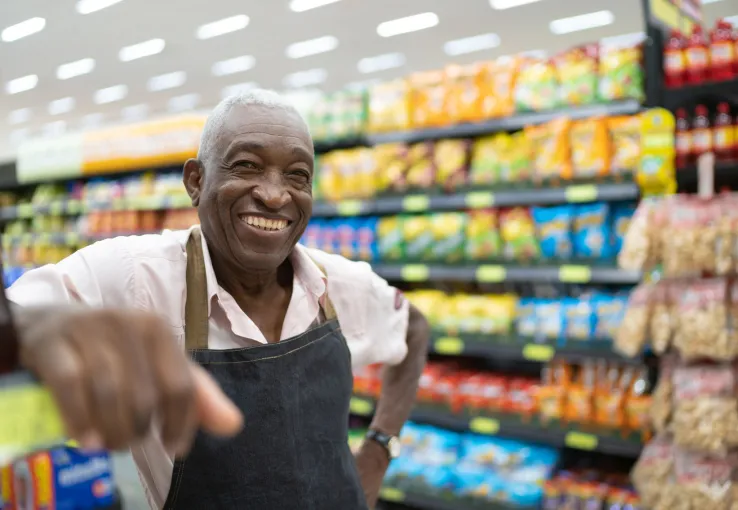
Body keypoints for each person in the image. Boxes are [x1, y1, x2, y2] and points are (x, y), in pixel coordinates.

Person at [7, 89, 430, 510]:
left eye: (297, 175)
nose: (275, 194)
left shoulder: (336, 284)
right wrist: (26, 333)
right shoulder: (135, 277)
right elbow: (18, 316)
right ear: (196, 181)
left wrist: (378, 449)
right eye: (247, 165)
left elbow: (412, 325)